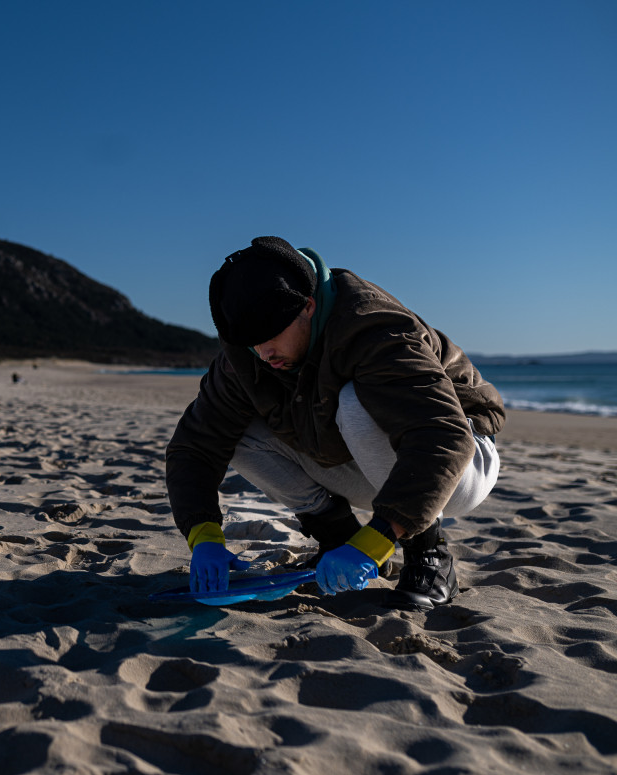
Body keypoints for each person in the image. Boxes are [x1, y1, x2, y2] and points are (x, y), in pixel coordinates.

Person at [165, 236, 504, 609]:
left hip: (461, 461)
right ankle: (337, 539)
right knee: (236, 431)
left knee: (355, 403)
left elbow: (442, 437)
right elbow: (195, 447)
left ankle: (428, 552)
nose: (263, 354)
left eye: (270, 337)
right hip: (360, 460)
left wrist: (376, 540)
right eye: (251, 343)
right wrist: (205, 536)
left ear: (307, 307)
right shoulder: (245, 353)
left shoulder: (370, 325)